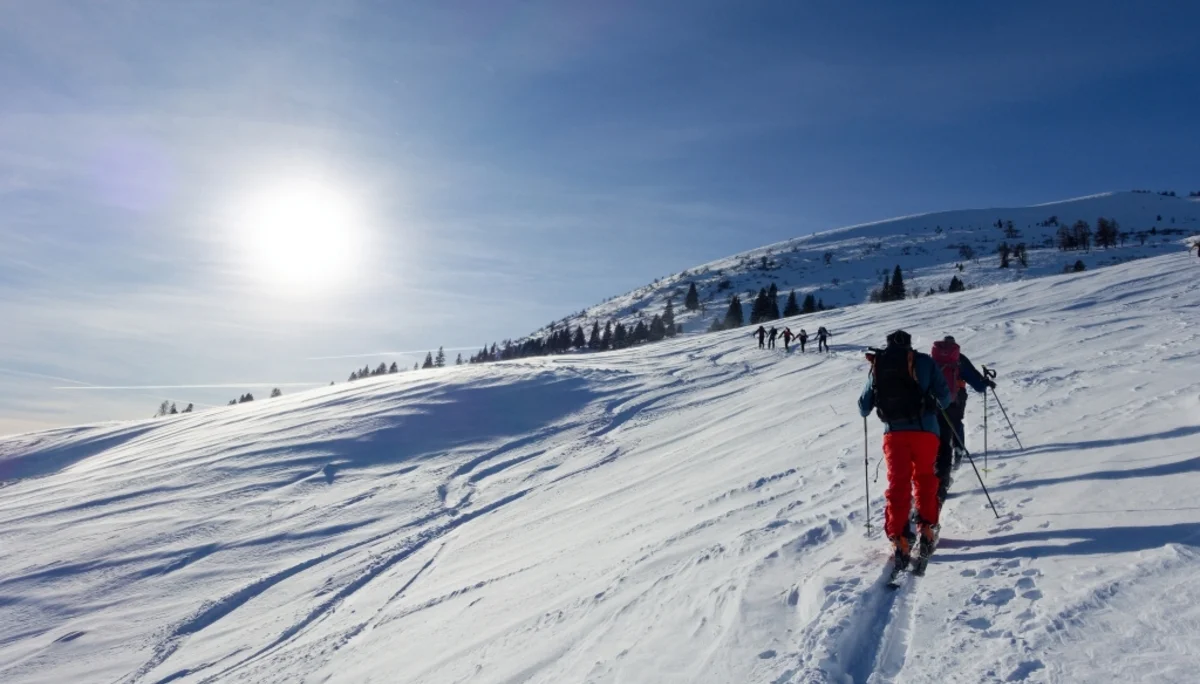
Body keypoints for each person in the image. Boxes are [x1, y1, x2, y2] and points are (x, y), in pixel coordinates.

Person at [858, 329, 953, 568]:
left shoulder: (880, 363)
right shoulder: (924, 362)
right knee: (925, 479)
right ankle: (927, 529)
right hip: (926, 431)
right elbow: (945, 397)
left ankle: (899, 537)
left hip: (894, 434)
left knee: (898, 483)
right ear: (909, 345)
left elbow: (863, 406)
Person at [930, 336, 995, 503]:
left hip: (933, 401)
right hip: (956, 399)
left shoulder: (932, 359)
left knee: (935, 431)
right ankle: (958, 451)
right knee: (955, 423)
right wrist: (986, 384)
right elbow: (978, 384)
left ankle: (932, 464)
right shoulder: (959, 359)